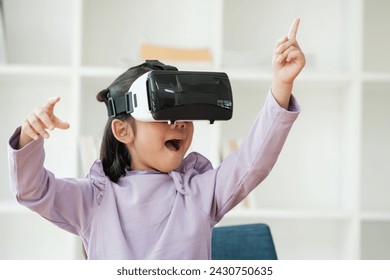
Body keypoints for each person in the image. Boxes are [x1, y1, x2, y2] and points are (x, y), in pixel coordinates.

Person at [8, 18, 305, 259]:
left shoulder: (199, 193)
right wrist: (29, 138)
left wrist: (281, 85)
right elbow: (33, 191)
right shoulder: (94, 200)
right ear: (123, 131)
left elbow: (251, 162)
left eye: (185, 114)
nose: (180, 124)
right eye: (164, 115)